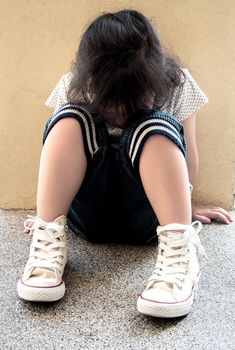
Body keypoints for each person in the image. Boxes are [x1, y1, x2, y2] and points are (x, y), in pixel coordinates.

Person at [17, 9, 233, 318]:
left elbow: (188, 152)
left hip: (148, 219)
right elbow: (59, 155)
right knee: (69, 119)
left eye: (130, 105)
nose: (118, 115)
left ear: (157, 81)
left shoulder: (178, 83)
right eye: (109, 106)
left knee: (154, 126)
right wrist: (47, 214)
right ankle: (48, 242)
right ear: (88, 79)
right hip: (88, 216)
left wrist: (183, 206)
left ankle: (179, 252)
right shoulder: (73, 86)